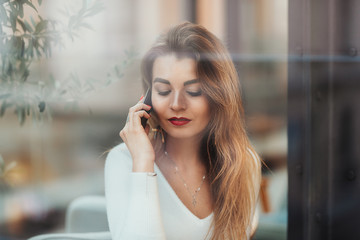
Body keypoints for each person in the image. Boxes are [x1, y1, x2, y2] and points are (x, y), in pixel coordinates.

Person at [105, 22, 261, 240]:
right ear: (147, 98)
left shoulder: (243, 163)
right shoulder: (123, 161)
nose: (177, 104)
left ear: (220, 97)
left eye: (194, 91)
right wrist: (143, 162)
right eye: (163, 90)